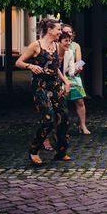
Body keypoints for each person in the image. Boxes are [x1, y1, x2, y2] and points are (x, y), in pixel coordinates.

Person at [16, 18, 71, 165]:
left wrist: (65, 81)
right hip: (40, 86)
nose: (61, 32)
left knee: (64, 116)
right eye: (59, 29)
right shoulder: (36, 45)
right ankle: (34, 150)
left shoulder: (57, 46)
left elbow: (56, 67)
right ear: (50, 30)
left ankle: (61, 151)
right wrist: (30, 66)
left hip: (55, 85)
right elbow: (18, 62)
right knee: (48, 119)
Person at [61, 24, 90, 135]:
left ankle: (82, 125)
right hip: (62, 75)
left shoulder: (75, 46)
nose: (68, 34)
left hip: (73, 75)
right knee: (61, 101)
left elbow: (78, 61)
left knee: (80, 101)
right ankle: (61, 126)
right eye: (65, 32)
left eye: (70, 32)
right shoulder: (57, 45)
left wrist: (77, 68)